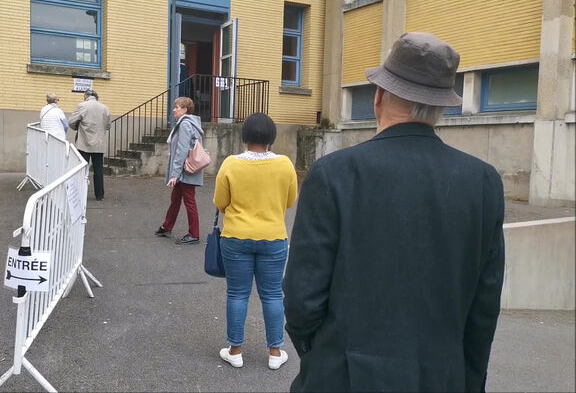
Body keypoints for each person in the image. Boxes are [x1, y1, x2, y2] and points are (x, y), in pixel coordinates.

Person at [283, 32, 505, 392]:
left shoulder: (335, 173)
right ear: (440, 108)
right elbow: (485, 305)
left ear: (379, 97)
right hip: (441, 377)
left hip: (343, 375)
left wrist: (321, 358)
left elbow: (302, 297)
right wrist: (468, 377)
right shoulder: (483, 182)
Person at [213, 113, 298, 370]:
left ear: (245, 136)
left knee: (237, 294)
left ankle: (235, 350)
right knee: (272, 295)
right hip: (273, 237)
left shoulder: (230, 164)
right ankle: (275, 352)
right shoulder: (285, 164)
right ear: (272, 137)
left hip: (236, 237)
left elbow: (220, 202)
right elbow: (291, 200)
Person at [154, 97, 204, 244]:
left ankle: (194, 234)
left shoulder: (185, 124)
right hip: (186, 169)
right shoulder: (191, 123)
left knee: (189, 200)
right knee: (176, 198)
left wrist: (175, 174)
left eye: (177, 107)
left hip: (185, 170)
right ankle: (167, 226)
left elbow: (182, 150)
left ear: (185, 110)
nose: (174, 109)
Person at [68, 89, 110, 201]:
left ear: (86, 96)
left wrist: (78, 127)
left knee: (82, 169)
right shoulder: (104, 108)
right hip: (99, 144)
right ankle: (99, 195)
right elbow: (108, 125)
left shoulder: (82, 105)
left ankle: (80, 194)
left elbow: (71, 121)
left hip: (84, 143)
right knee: (98, 171)